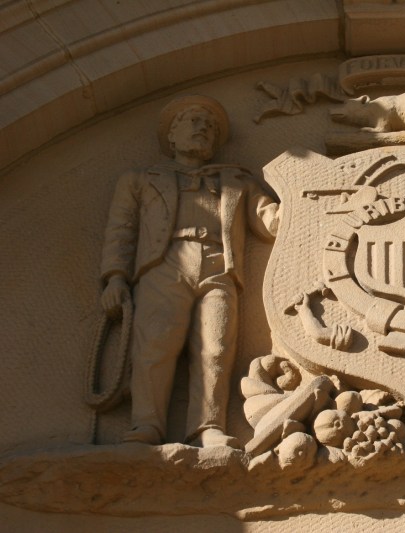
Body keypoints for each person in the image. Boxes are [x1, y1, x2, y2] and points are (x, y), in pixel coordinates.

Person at [100, 95, 280, 448]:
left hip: (219, 267)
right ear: (172, 136)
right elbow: (121, 230)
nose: (204, 129)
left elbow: (270, 221)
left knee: (216, 348)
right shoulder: (140, 179)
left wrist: (307, 204)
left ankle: (207, 426)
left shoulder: (235, 179)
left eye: (210, 126)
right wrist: (115, 276)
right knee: (155, 344)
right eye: (195, 122)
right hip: (163, 266)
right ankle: (146, 425)